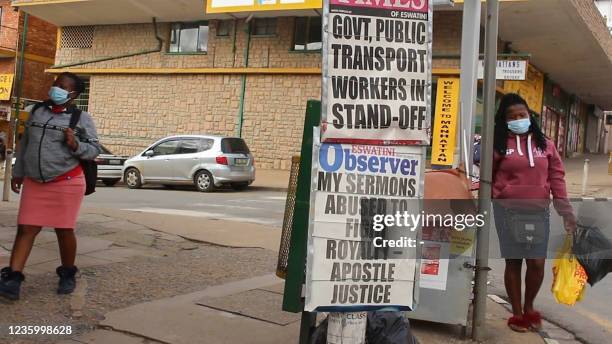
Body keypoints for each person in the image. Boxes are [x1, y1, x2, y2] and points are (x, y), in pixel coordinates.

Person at [0, 72, 100, 301]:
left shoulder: (81, 119)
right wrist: (18, 172)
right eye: (55, 84)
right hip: (35, 182)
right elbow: (25, 143)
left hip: (67, 181)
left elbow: (94, 150)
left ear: (73, 94)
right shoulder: (36, 111)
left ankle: (67, 273)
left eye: (63, 87)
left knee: (63, 230)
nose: (56, 89)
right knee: (26, 228)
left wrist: (75, 144)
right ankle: (13, 278)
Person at [492, 93, 576, 332]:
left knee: (537, 263)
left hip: (539, 211)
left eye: (523, 115)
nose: (518, 119)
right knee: (514, 261)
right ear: (504, 120)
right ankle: (517, 314)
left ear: (530, 116)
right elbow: (486, 177)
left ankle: (529, 307)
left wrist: (566, 211)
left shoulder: (545, 144)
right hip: (507, 211)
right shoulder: (498, 144)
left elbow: (557, 177)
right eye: (512, 117)